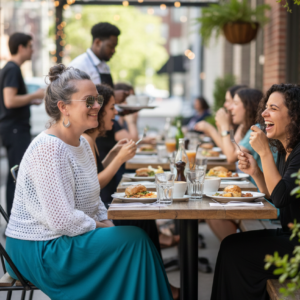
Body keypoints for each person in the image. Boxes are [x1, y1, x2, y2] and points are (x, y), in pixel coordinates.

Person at [5, 64, 173, 300]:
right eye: (89, 100)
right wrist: (103, 226)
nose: (97, 106)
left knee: (134, 238)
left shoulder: (82, 144)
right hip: (38, 247)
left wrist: (105, 221)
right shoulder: (49, 149)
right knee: (135, 240)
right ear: (63, 107)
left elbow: (93, 200)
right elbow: (61, 220)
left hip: (64, 238)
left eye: (97, 99)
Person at [211, 83, 300, 300]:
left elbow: (279, 198)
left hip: (296, 246)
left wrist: (263, 153)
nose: (264, 113)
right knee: (230, 246)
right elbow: (276, 193)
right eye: (265, 107)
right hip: (290, 235)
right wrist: (256, 172)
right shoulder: (284, 150)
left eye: (274, 108)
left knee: (235, 252)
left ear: (295, 117)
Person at [202, 88, 277, 241]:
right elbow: (231, 150)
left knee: (211, 210)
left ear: (248, 106)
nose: (229, 107)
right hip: (255, 190)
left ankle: (236, 250)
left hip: (262, 196)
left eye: (234, 103)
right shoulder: (245, 128)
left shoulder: (257, 130)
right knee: (209, 208)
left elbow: (230, 155)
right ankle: (233, 250)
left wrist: (220, 128)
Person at [0, 32, 44, 217]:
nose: (32, 50)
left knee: (17, 174)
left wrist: (29, 101)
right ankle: (14, 221)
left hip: (14, 128)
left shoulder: (10, 68)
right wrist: (34, 95)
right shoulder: (12, 68)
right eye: (30, 46)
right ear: (21, 48)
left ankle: (14, 219)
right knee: (17, 175)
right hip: (15, 129)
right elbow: (9, 101)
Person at [69, 22, 128, 103]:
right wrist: (113, 96)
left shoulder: (105, 66)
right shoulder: (79, 65)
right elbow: (75, 98)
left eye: (115, 47)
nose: (114, 50)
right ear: (97, 42)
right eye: (111, 46)